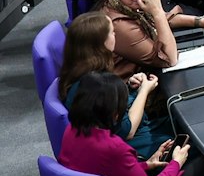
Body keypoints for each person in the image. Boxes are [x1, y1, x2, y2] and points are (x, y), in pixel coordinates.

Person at [57, 71, 188, 176]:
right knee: (201, 164)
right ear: (115, 114)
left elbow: (106, 168)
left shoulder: (71, 130)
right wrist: (176, 162)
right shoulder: (114, 148)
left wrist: (147, 164)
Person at [57, 11, 169, 157]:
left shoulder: (77, 72)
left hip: (119, 139)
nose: (115, 35)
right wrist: (144, 91)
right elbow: (127, 130)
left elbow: (107, 107)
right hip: (131, 147)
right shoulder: (99, 84)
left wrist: (130, 88)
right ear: (101, 43)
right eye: (112, 32)